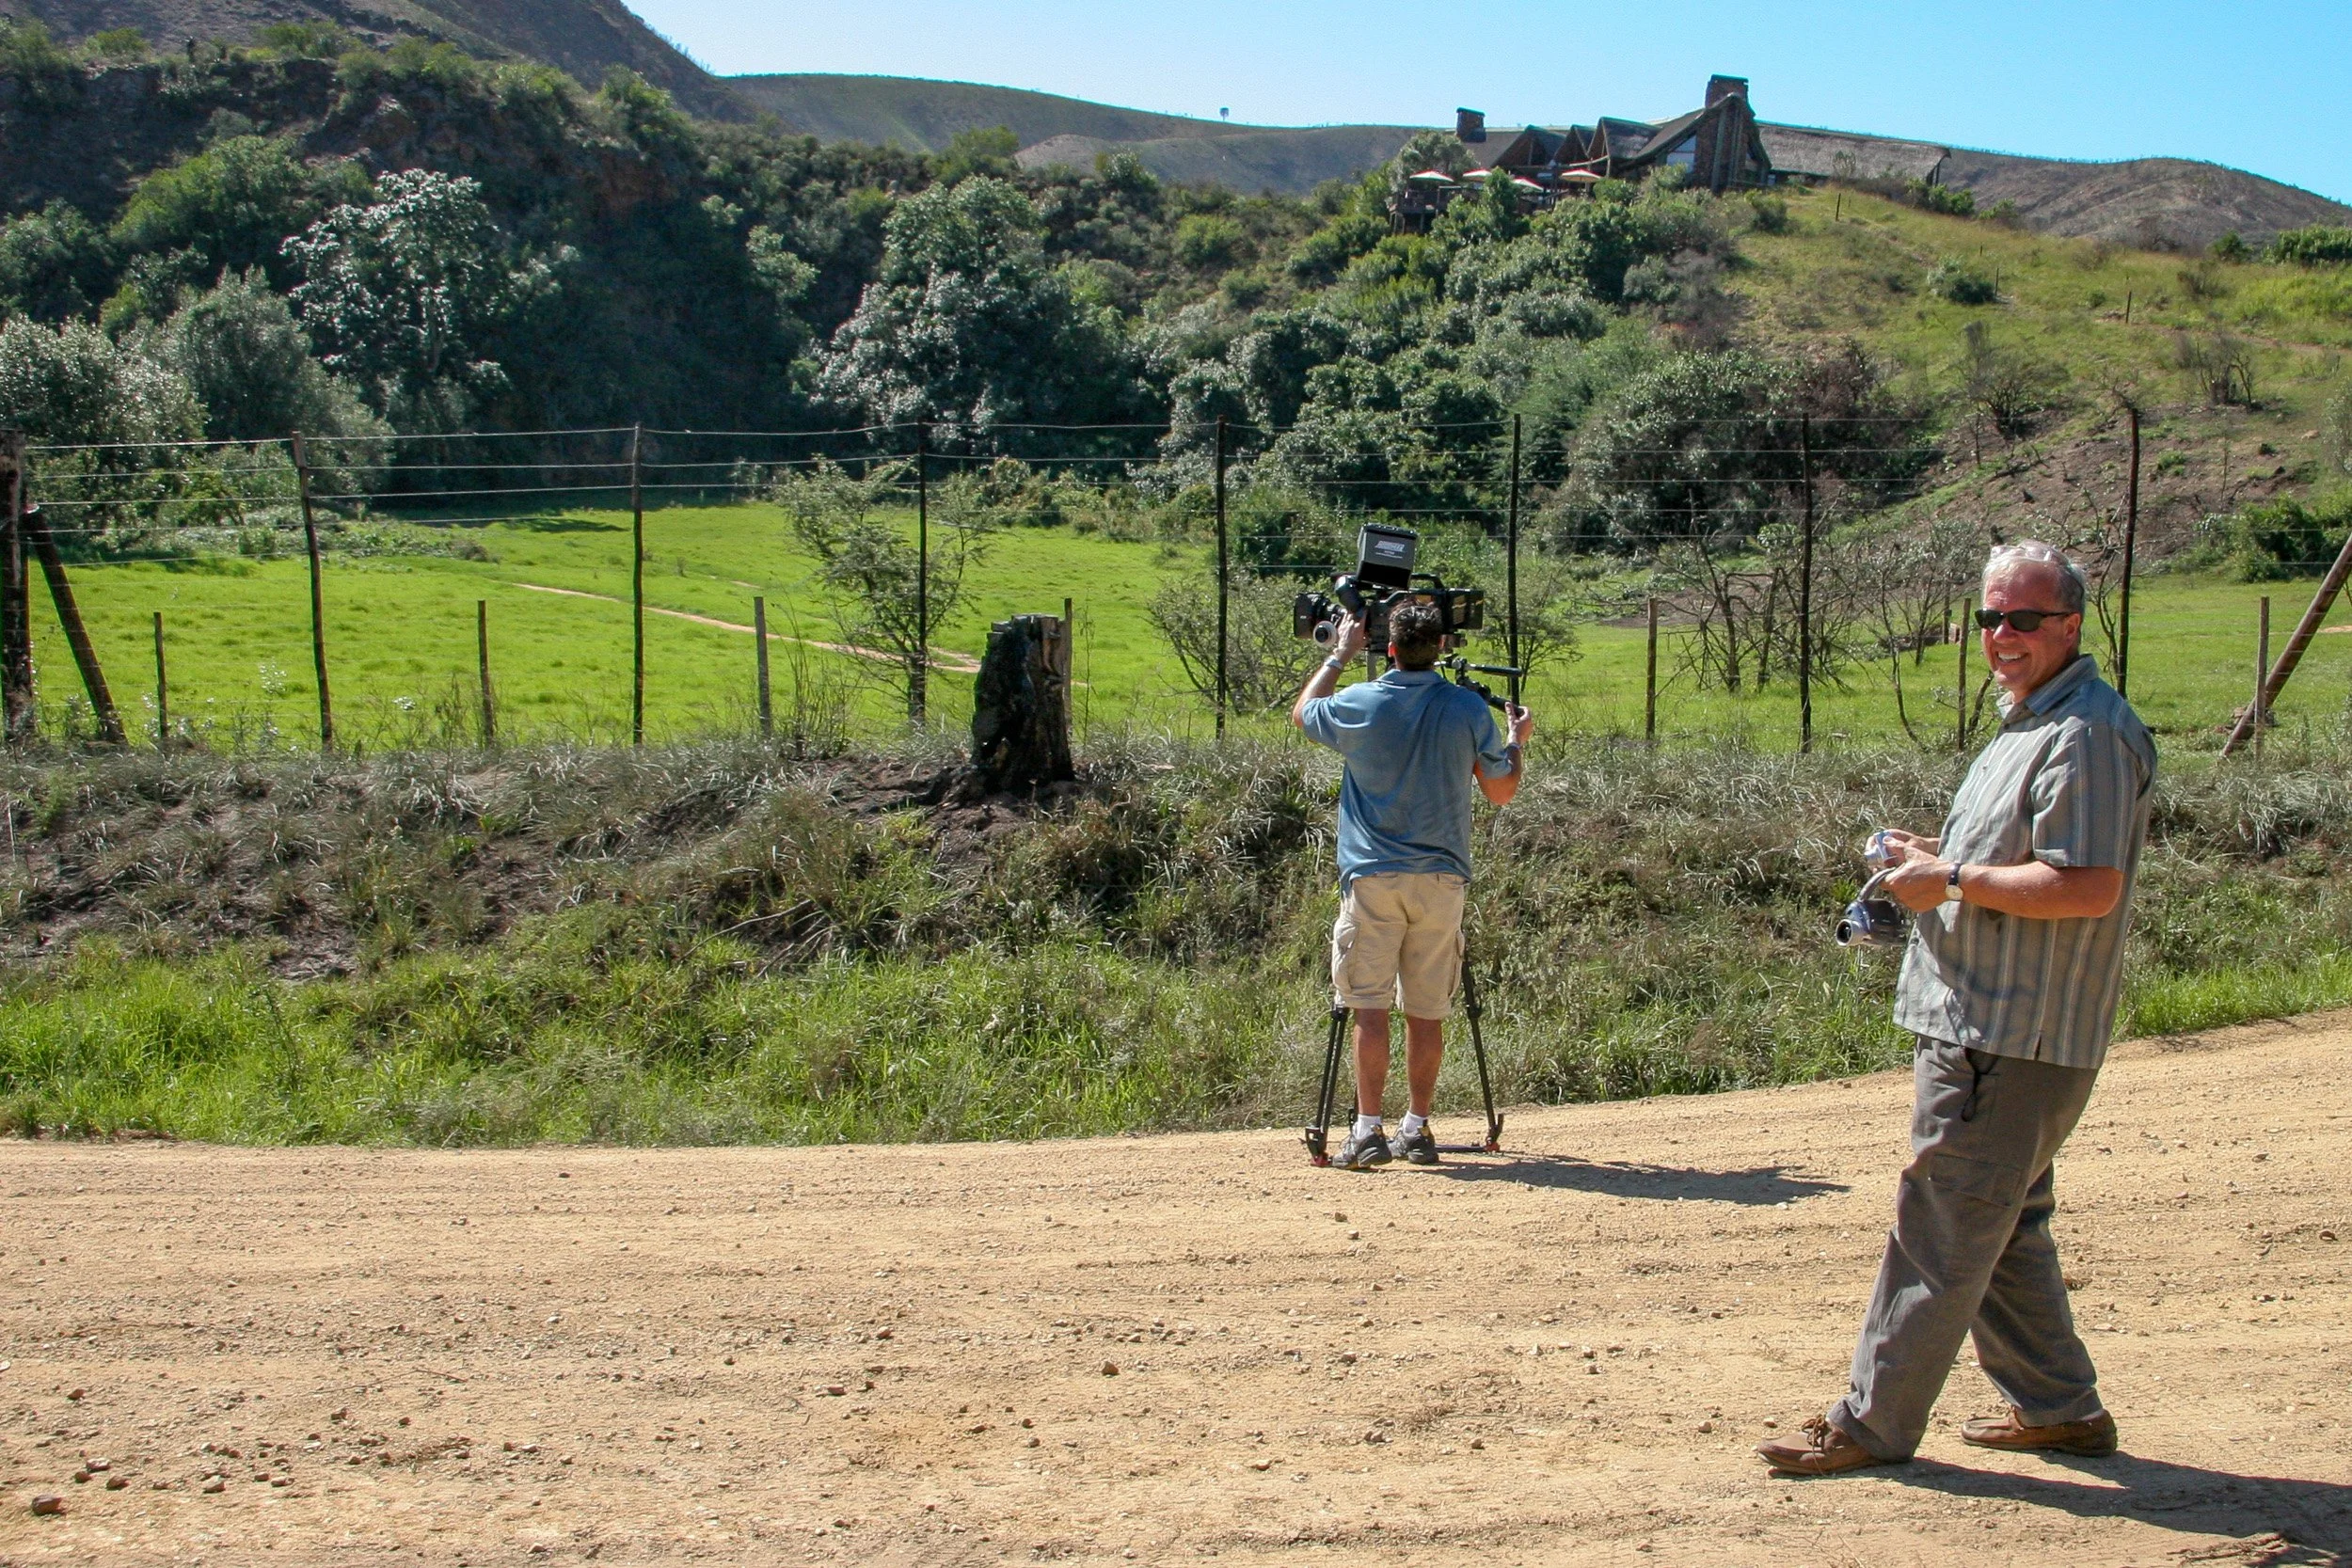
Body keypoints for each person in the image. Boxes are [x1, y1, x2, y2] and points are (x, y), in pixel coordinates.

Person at [1759, 541, 2156, 1476]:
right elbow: (2026, 856)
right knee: (1999, 1218)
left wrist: (1955, 877)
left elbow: (2087, 884)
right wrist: (1934, 855)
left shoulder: (2083, 734)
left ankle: (1867, 1420)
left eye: (2023, 618)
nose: (2002, 636)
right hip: (1987, 1019)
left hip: (2009, 1030)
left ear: (2070, 623)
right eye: (1989, 618)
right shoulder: (2030, 721)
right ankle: (2059, 1407)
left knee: (1943, 1217)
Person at [1291, 599, 1534, 1170]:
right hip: (1442, 879)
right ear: (1444, 647)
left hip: (1373, 876)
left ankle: (1367, 1130)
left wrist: (1340, 653)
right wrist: (1516, 738)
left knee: (1368, 1008)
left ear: (1390, 648)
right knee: (1427, 1011)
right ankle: (1417, 1128)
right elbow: (1501, 791)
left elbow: (1304, 714)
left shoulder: (1359, 703)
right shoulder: (1467, 709)